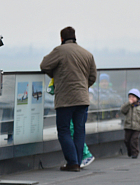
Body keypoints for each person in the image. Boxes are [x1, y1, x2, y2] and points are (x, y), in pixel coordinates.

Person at [40, 26, 97, 172]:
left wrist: (55, 75)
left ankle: (72, 162)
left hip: (65, 99)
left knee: (64, 130)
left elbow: (44, 65)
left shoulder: (60, 51)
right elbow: (93, 77)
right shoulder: (87, 54)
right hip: (83, 99)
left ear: (61, 38)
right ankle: (77, 161)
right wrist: (83, 87)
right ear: (75, 37)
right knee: (79, 131)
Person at [120, 89, 140, 159]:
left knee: (134, 140)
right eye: (130, 97)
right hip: (128, 126)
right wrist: (128, 103)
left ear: (137, 98)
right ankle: (130, 151)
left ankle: (135, 153)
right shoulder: (128, 106)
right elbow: (122, 110)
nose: (131, 99)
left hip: (137, 127)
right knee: (126, 140)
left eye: (133, 97)